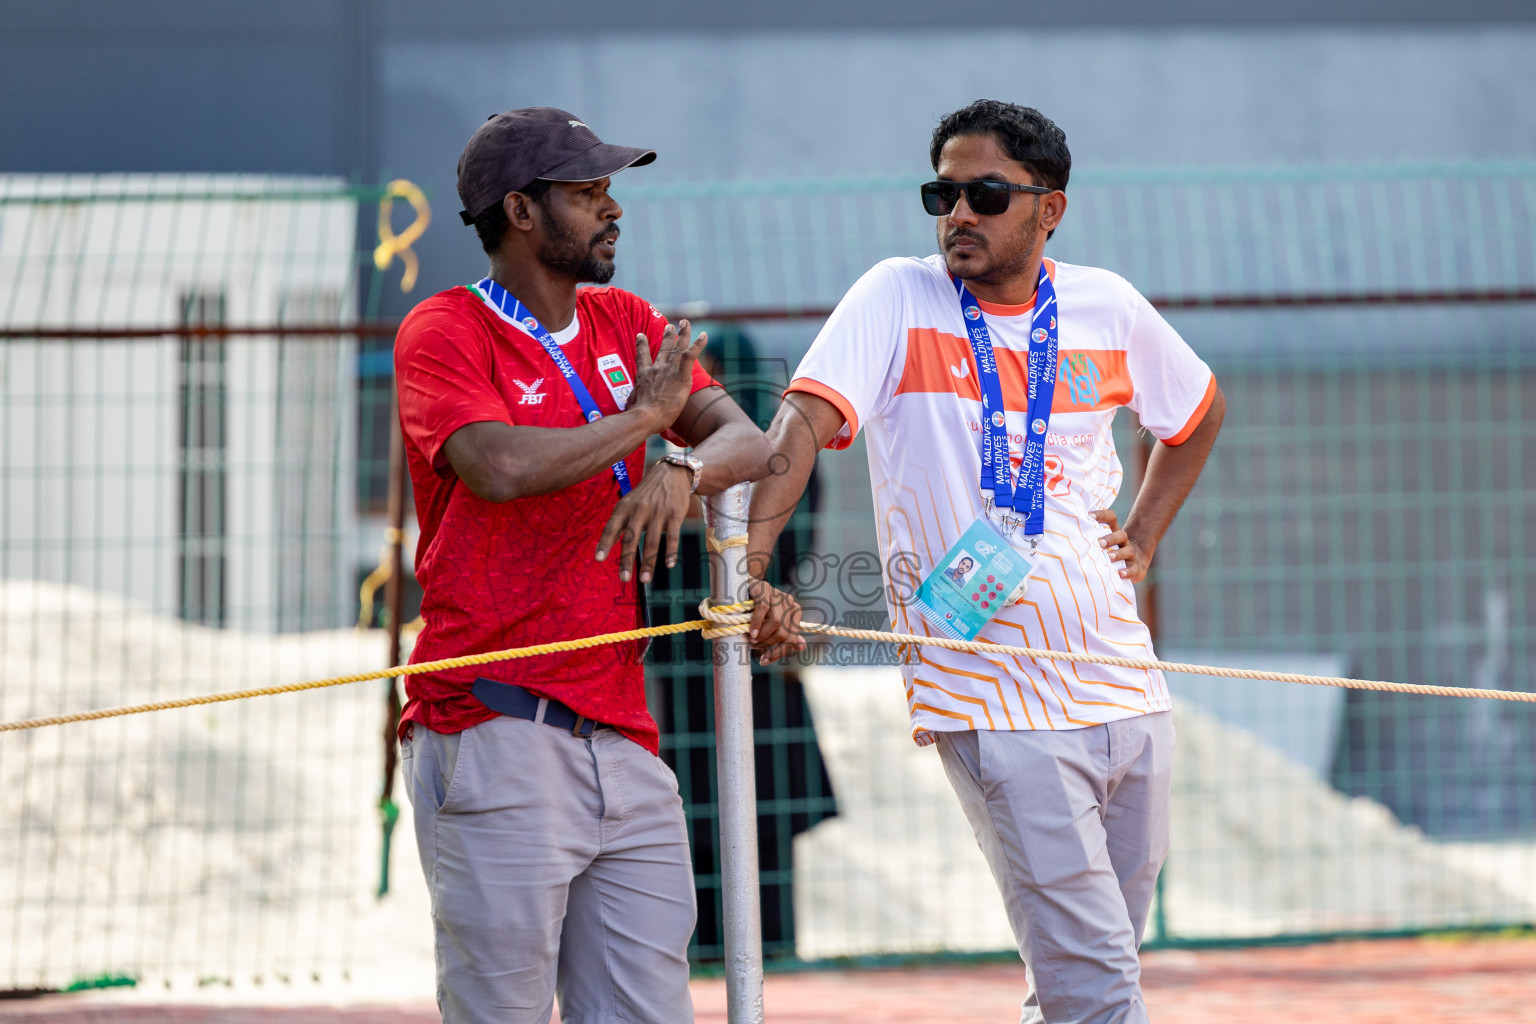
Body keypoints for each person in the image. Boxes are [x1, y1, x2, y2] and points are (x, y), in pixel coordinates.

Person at [745, 100, 1225, 1024]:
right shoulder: (896, 294)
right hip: (989, 691)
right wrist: (753, 567)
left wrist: (1147, 531)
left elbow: (1196, 412)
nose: (959, 214)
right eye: (944, 192)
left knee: (1094, 971)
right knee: (1098, 985)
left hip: (1125, 678)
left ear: (1050, 211)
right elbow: (801, 423)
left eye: (987, 195)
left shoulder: (1107, 305)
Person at [393, 107, 771, 1024]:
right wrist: (645, 423)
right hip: (493, 724)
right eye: (588, 190)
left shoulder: (629, 320)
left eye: (610, 188)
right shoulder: (444, 329)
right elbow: (498, 467)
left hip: (624, 734)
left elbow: (745, 437)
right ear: (520, 211)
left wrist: (678, 470)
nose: (614, 208)